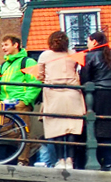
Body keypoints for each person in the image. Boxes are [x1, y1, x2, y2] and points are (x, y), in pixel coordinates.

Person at [34, 30, 84, 169]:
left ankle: (60, 160)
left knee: (56, 129)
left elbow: (40, 75)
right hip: (73, 93)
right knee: (72, 128)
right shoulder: (73, 54)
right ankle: (70, 160)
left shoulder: (45, 55)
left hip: (54, 93)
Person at [0, 33, 43, 167]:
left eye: (6, 45)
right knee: (3, 132)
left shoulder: (28, 62)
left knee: (22, 131)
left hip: (20, 102)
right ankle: (33, 143)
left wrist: (26, 100)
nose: (3, 48)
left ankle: (23, 161)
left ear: (15, 45)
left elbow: (35, 82)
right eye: (2, 45)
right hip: (5, 103)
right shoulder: (3, 66)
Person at [81, 31, 111, 170]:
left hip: (98, 95)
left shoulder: (89, 56)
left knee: (97, 128)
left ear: (94, 41)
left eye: (88, 41)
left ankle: (101, 161)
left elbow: (85, 79)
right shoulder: (108, 54)